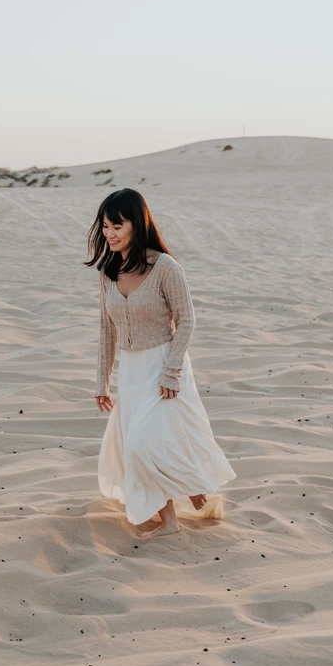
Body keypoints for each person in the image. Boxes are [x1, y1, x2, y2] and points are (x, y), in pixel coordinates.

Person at [87, 189, 235, 537]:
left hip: (163, 366)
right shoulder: (108, 271)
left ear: (137, 225)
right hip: (130, 372)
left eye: (117, 226)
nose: (109, 234)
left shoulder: (166, 267)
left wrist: (172, 372)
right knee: (144, 443)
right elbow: (106, 329)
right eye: (105, 226)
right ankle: (180, 504)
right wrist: (101, 382)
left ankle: (179, 509)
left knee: (145, 443)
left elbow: (186, 320)